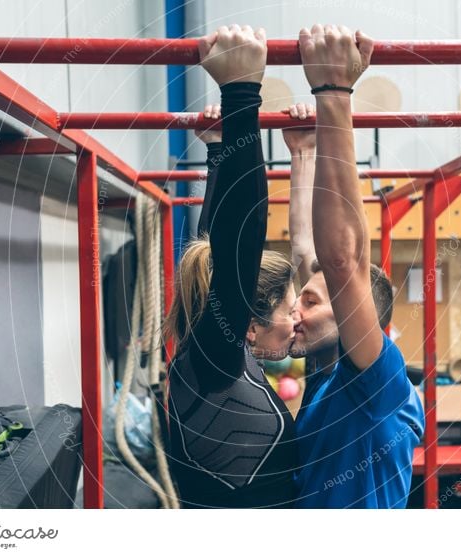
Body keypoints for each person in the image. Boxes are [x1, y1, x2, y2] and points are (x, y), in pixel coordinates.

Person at [288, 24, 425, 509]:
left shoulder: (375, 383)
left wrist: (334, 94)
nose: (294, 312)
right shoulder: (328, 370)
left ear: (356, 318)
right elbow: (313, 256)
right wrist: (303, 154)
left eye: (309, 303)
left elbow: (341, 262)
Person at [164, 25, 298, 508]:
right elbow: (236, 243)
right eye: (288, 307)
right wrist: (242, 93)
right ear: (248, 322)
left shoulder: (211, 355)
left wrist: (219, 151)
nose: (298, 316)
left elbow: (212, 246)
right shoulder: (216, 362)